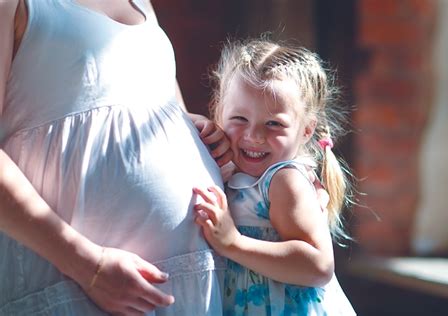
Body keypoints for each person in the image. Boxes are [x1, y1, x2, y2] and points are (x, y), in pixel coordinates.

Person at [0, 0, 232, 315]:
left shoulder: (141, 4)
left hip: (193, 284)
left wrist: (198, 131)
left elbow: (160, 108)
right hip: (79, 282)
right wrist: (87, 264)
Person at [193, 39, 356, 315]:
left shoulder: (283, 180)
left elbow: (319, 266)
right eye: (239, 119)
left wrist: (233, 242)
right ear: (219, 112)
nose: (254, 136)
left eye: (274, 124)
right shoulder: (235, 172)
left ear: (306, 130)